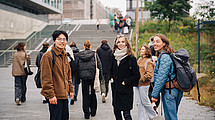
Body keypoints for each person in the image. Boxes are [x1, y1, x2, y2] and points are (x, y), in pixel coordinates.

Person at [40, 30, 74, 120]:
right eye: (59, 39)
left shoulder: (65, 55)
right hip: (55, 95)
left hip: (64, 94)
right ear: (54, 41)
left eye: (64, 39)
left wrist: (70, 89)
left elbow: (68, 75)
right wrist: (51, 95)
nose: (62, 42)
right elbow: (46, 78)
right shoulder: (48, 56)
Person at [151, 33, 183, 120]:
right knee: (172, 116)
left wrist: (154, 95)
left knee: (171, 117)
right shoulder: (167, 54)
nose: (155, 44)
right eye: (154, 41)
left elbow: (161, 78)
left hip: (170, 91)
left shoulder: (165, 57)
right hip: (174, 90)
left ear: (164, 43)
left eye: (158, 41)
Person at [110, 36, 140, 120]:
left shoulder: (131, 58)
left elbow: (137, 75)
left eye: (123, 42)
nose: (121, 44)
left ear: (126, 43)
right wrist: (111, 78)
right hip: (115, 90)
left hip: (126, 90)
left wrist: (126, 82)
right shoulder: (113, 56)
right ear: (116, 44)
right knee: (116, 112)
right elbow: (111, 70)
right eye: (119, 42)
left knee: (126, 114)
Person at [77, 40, 103, 119]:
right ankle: (93, 111)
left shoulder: (79, 55)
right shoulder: (94, 54)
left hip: (83, 77)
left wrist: (78, 78)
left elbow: (77, 67)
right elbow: (99, 65)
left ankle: (86, 112)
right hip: (92, 76)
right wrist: (101, 77)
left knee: (85, 95)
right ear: (90, 46)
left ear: (84, 46)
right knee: (92, 93)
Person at [135, 45, 158, 120]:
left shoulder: (149, 61)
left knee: (145, 101)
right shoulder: (139, 60)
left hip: (144, 84)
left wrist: (141, 79)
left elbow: (149, 74)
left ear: (146, 51)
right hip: (137, 84)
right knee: (138, 103)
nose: (141, 50)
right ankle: (141, 118)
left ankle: (153, 115)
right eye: (141, 49)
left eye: (143, 49)